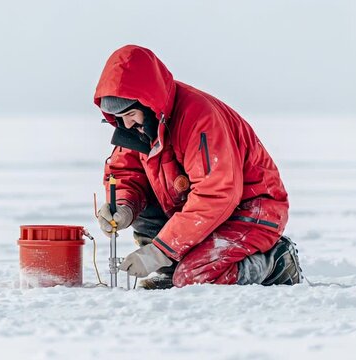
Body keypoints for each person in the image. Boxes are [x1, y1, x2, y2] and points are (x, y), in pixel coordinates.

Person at [94, 45, 302, 289]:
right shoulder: (138, 126)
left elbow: (216, 194)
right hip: (197, 208)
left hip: (250, 211)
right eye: (118, 117)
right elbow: (125, 173)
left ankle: (275, 262)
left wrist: (160, 251)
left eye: (130, 113)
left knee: (195, 278)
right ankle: (170, 270)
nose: (126, 124)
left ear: (150, 103)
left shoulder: (200, 120)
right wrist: (123, 206)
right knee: (146, 206)